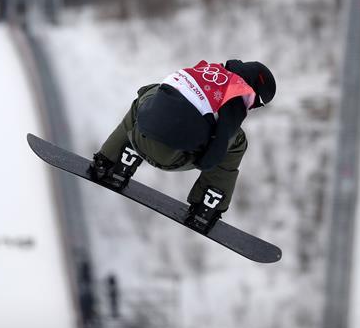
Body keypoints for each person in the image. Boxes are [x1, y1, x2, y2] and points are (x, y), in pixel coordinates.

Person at [88, 59, 276, 234]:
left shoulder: (207, 70)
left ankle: (109, 162)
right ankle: (206, 207)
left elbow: (147, 90)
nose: (253, 108)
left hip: (139, 135)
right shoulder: (237, 96)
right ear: (255, 91)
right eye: (258, 104)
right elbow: (216, 151)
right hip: (172, 157)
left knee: (149, 94)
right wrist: (204, 156)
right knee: (237, 141)